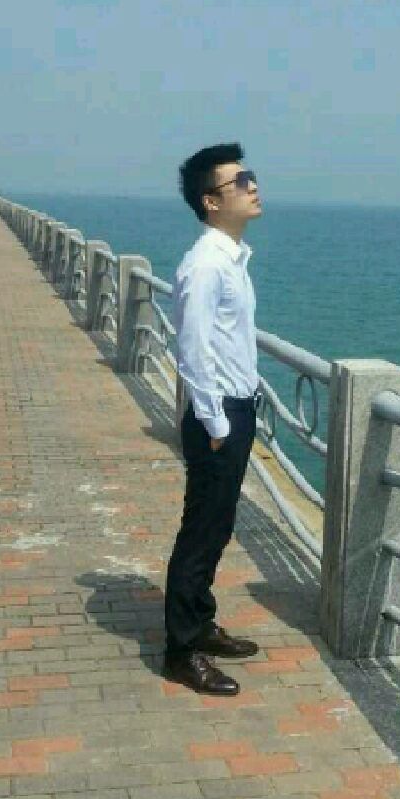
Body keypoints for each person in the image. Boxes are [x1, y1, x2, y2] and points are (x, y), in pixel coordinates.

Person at [163, 143, 264, 696]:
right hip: (217, 416)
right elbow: (194, 349)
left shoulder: (230, 259)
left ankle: (200, 623)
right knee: (201, 532)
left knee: (217, 526)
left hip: (234, 407)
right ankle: (182, 650)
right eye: (240, 181)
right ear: (211, 200)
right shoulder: (206, 264)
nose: (253, 186)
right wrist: (217, 424)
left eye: (252, 177)